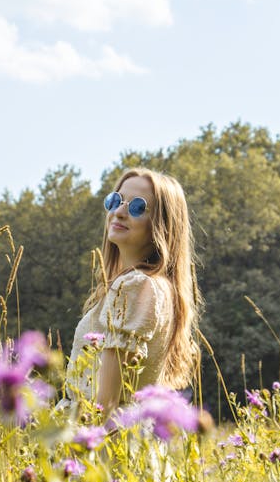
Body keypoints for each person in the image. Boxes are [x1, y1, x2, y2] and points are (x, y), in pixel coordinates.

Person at [64, 168, 201, 417]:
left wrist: (80, 449)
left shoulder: (137, 286)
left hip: (104, 443)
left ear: (163, 224)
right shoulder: (153, 286)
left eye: (137, 207)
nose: (119, 212)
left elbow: (105, 404)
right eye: (115, 200)